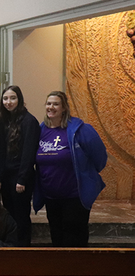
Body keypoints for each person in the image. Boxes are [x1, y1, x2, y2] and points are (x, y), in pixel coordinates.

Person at [33, 91, 107, 247]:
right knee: (56, 237)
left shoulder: (81, 130)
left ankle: (78, 270)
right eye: (48, 103)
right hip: (51, 196)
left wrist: (86, 175)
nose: (51, 107)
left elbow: (100, 158)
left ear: (64, 108)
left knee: (74, 239)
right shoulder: (40, 130)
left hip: (74, 196)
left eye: (55, 104)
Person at [0, 85, 40, 245]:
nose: (8, 102)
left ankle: (23, 248)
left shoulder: (29, 121)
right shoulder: (5, 121)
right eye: (5, 98)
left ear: (20, 99)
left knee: (21, 215)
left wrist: (22, 179)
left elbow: (29, 153)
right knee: (9, 213)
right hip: (7, 176)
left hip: (21, 178)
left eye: (13, 98)